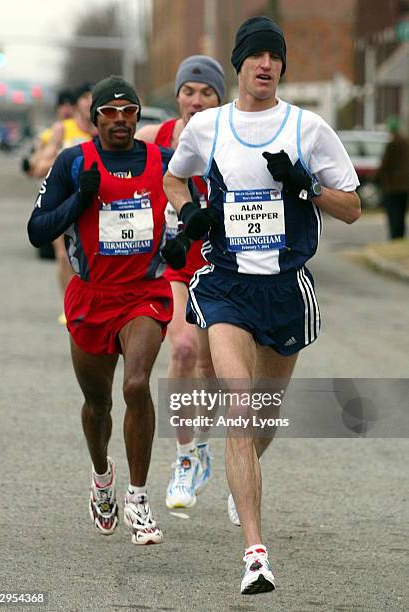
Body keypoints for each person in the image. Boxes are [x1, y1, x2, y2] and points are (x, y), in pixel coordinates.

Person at [162, 16, 361, 594]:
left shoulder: (308, 128)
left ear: (281, 67)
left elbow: (351, 207)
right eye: (256, 56)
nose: (266, 65)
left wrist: (304, 186)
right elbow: (177, 182)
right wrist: (190, 213)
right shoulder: (208, 127)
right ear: (240, 64)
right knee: (242, 413)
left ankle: (238, 480)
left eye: (275, 56)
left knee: (263, 417)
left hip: (284, 291)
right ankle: (255, 555)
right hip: (226, 286)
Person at [27, 75, 174, 545]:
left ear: (137, 115)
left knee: (136, 385)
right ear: (96, 120)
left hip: (143, 293)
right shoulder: (74, 162)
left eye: (128, 111)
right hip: (91, 296)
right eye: (109, 113)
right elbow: (37, 228)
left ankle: (138, 497)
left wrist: (189, 233)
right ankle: (102, 476)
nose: (119, 120)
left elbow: (196, 202)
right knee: (98, 404)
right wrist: (79, 199)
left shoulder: (160, 160)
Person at [136, 55, 225, 509]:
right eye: (188, 92)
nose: (196, 100)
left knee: (210, 369)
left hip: (217, 266)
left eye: (206, 92)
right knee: (184, 349)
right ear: (177, 97)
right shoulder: (155, 138)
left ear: (219, 98)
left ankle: (204, 446)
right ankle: (184, 456)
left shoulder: (231, 136)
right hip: (173, 265)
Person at [28, 83, 97, 323]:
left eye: (92, 97)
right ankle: (71, 307)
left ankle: (91, 303)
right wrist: (60, 161)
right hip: (63, 202)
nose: (89, 102)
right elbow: (39, 164)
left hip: (94, 204)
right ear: (77, 103)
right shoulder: (62, 129)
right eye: (84, 98)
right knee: (63, 256)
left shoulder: (106, 128)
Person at [376, 116, 409, 239]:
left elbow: (385, 164)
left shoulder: (392, 144)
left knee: (393, 213)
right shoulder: (406, 142)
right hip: (405, 186)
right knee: (401, 213)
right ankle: (400, 235)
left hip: (392, 186)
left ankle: (394, 236)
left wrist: (375, 177)